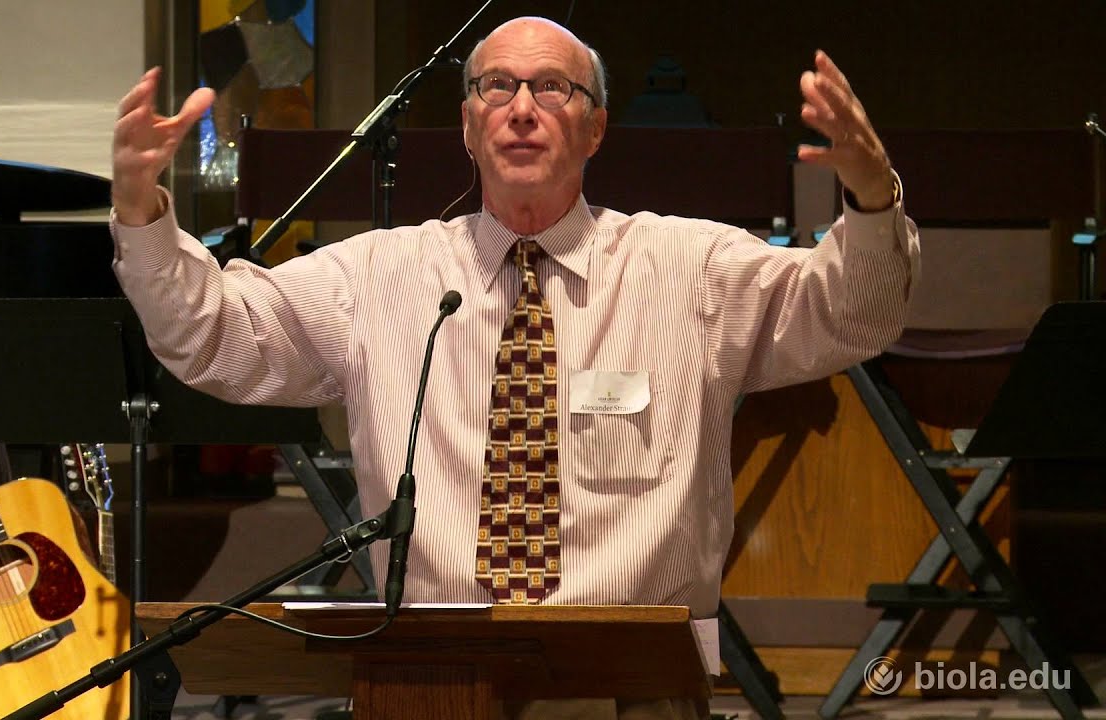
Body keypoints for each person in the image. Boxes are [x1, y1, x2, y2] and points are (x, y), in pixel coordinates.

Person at [111, 16, 919, 720]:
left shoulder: (690, 270)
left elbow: (853, 314)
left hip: (630, 690)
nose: (523, 108)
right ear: (469, 127)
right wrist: (141, 211)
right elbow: (215, 337)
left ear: (595, 129)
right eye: (497, 86)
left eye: (553, 88)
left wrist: (872, 196)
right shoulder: (378, 277)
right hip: (428, 685)